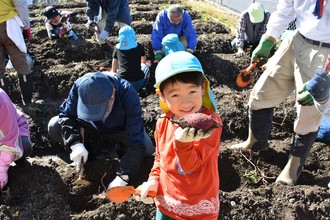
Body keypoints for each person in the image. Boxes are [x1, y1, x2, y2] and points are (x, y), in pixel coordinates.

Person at [230, 0, 330, 185]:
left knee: (308, 114)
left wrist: (327, 77)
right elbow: (286, 8)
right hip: (297, 39)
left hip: (326, 52)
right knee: (261, 93)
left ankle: (293, 168)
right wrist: (269, 39)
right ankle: (256, 142)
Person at [135, 51, 223, 219]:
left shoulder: (209, 124)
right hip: (166, 203)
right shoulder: (163, 121)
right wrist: (153, 181)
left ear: (203, 87)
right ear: (162, 96)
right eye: (175, 95)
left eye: (192, 91)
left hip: (198, 209)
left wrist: (182, 143)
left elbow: (191, 167)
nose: (186, 102)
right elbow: (160, 158)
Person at [47, 71, 154, 189]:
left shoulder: (127, 93)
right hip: (90, 126)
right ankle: (87, 153)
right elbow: (66, 115)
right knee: (54, 125)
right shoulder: (81, 86)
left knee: (146, 146)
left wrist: (123, 176)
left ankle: (121, 149)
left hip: (119, 129)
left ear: (112, 96)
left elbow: (136, 142)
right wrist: (75, 143)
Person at [0, 0, 33, 105]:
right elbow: (20, 3)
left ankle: (5, 106)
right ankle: (28, 103)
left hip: (8, 25)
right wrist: (26, 26)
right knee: (21, 64)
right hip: (9, 25)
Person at [0, 88, 32, 190]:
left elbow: (10, 138)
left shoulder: (1, 101)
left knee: (24, 146)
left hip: (12, 129)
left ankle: (18, 161)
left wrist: (2, 169)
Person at [111, 26, 150, 93]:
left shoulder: (117, 48)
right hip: (138, 82)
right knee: (147, 68)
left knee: (113, 73)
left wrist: (114, 72)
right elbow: (143, 61)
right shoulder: (138, 46)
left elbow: (114, 64)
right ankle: (143, 88)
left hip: (122, 83)